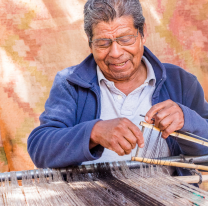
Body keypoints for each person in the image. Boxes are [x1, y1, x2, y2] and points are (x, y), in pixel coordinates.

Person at [28, 0, 208, 177]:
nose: (115, 52)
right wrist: (94, 133)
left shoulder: (181, 82)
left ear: (143, 33)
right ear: (90, 43)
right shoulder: (70, 83)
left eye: (125, 39)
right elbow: (40, 149)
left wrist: (188, 120)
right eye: (103, 43)